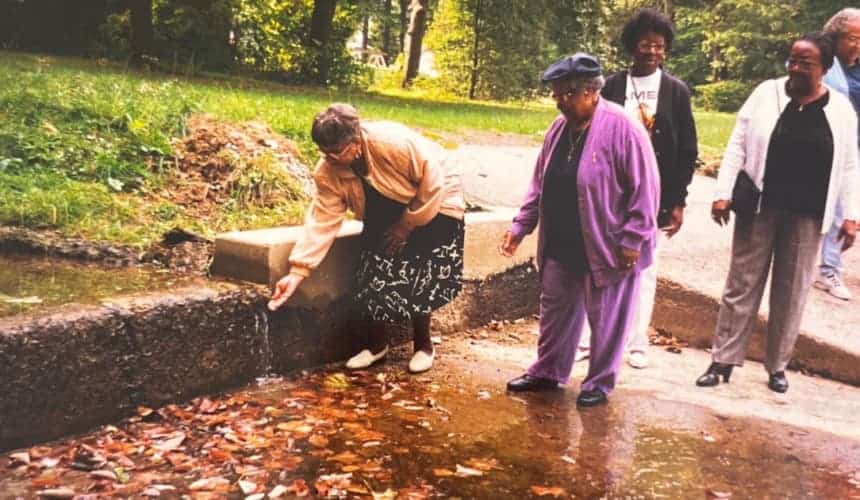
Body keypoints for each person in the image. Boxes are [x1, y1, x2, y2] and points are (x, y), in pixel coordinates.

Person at [697, 33, 859, 393]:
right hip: (759, 206)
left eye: (806, 63)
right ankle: (722, 360)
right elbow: (738, 142)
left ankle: (777, 367)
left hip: (808, 214)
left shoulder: (841, 110)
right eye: (793, 60)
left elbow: (849, 165)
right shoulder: (766, 94)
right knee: (741, 285)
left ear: (825, 68)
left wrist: (851, 215)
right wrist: (722, 193)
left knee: (792, 292)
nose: (796, 68)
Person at [500, 53, 660, 407]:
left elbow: (646, 189)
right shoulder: (558, 130)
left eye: (566, 94)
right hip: (562, 240)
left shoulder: (624, 129)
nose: (559, 101)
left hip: (609, 244)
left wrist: (633, 238)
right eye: (556, 94)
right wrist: (520, 226)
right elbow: (539, 184)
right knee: (555, 310)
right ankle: (548, 371)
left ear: (591, 91)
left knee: (607, 318)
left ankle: (599, 384)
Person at [268, 103, 466, 374]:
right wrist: (298, 271)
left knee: (420, 270)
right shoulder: (328, 170)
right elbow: (322, 220)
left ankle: (423, 345)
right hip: (387, 204)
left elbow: (432, 184)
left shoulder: (393, 144)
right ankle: (376, 346)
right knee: (371, 268)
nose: (329, 158)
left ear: (356, 140)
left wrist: (406, 226)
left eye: (336, 151)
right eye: (323, 151)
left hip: (434, 198)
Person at [575, 8, 698, 369]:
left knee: (644, 267)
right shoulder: (611, 86)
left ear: (666, 50)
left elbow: (687, 149)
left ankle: (636, 341)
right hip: (608, 193)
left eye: (659, 46)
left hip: (653, 195)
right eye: (645, 44)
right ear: (632, 46)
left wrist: (678, 201)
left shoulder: (676, 92)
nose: (652, 52)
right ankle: (588, 337)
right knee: (595, 261)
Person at [814, 8, 860, 301]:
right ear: (836, 36)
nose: (857, 45)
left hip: (855, 144)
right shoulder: (825, 63)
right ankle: (828, 268)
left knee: (845, 208)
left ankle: (828, 266)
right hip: (830, 144)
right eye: (853, 38)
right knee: (837, 207)